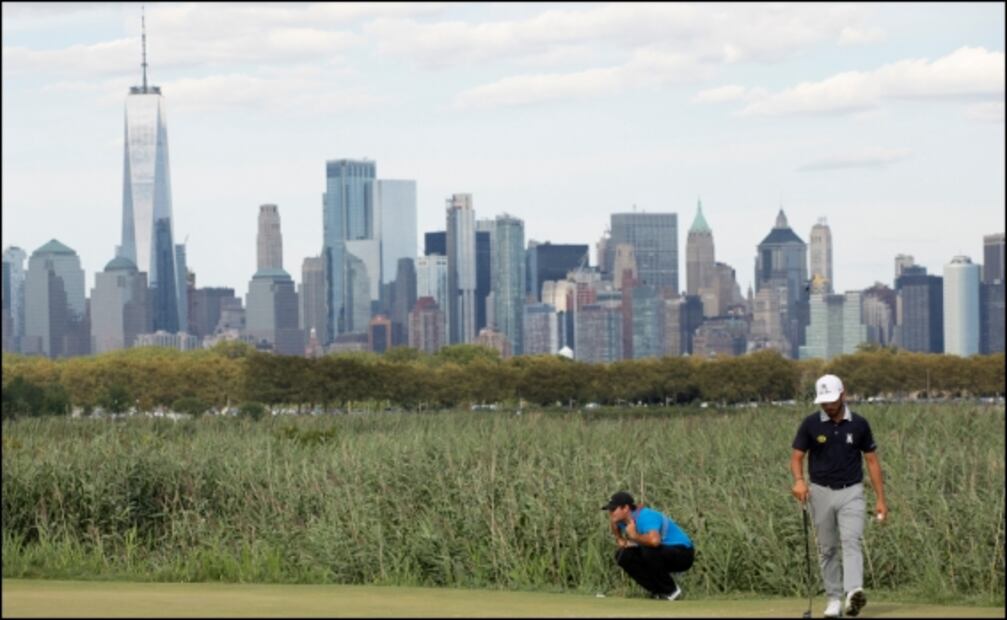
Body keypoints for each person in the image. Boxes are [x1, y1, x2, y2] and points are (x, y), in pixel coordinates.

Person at [790, 374, 888, 618]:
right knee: (827, 549)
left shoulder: (859, 424)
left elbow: (872, 461)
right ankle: (833, 599)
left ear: (843, 394)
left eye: (832, 400)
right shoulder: (811, 424)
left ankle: (853, 592)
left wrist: (880, 499)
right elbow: (797, 457)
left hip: (852, 491)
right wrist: (799, 482)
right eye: (824, 401)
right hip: (820, 492)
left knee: (851, 541)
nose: (828, 405)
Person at [602, 490, 694, 600]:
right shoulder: (620, 519)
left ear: (625, 508)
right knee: (623, 556)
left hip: (684, 554)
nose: (610, 513)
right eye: (609, 510)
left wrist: (635, 536)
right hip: (662, 552)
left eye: (613, 509)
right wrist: (619, 539)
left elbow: (655, 541)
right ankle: (658, 592)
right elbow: (613, 523)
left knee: (648, 549)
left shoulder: (646, 516)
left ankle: (672, 591)